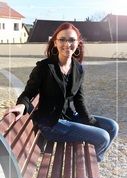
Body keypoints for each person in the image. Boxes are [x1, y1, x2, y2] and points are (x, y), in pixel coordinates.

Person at [5, 22, 119, 162]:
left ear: (78, 43)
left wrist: (91, 123)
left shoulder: (78, 69)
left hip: (69, 117)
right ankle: (88, 170)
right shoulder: (45, 67)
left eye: (71, 40)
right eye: (62, 39)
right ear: (55, 43)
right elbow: (28, 93)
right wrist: (22, 105)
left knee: (112, 127)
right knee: (102, 137)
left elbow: (79, 101)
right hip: (51, 124)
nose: (67, 44)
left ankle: (93, 162)